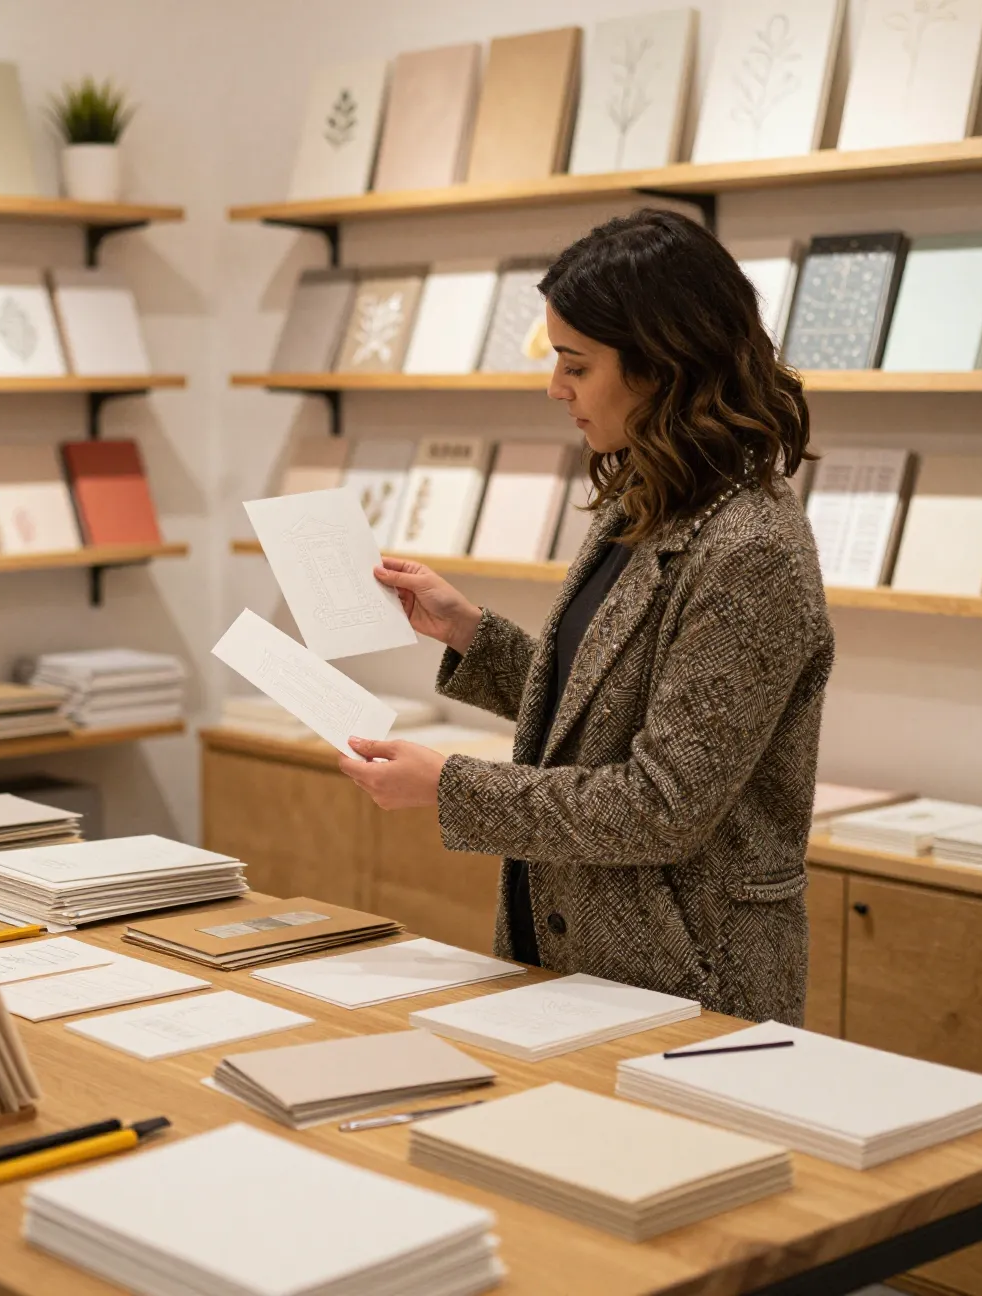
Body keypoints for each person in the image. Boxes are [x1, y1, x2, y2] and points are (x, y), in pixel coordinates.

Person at [337, 209, 832, 1025]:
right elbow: (607, 705)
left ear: (663, 364)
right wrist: (469, 632)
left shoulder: (754, 547)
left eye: (576, 363)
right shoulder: (645, 494)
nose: (554, 388)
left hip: (692, 983)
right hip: (573, 960)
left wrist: (449, 787)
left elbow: (664, 801)